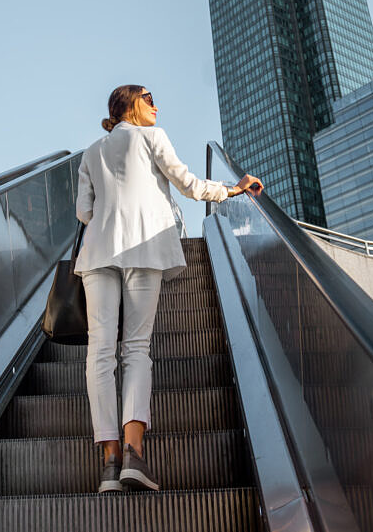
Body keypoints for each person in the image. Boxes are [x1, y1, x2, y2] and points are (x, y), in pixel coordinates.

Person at [75, 84, 262, 493]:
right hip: (144, 248)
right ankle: (134, 455)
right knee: (137, 347)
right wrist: (233, 188)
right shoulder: (153, 137)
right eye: (148, 98)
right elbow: (190, 186)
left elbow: (83, 212)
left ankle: (108, 463)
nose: (156, 105)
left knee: (99, 352)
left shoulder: (91, 153)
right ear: (128, 106)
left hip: (98, 255)